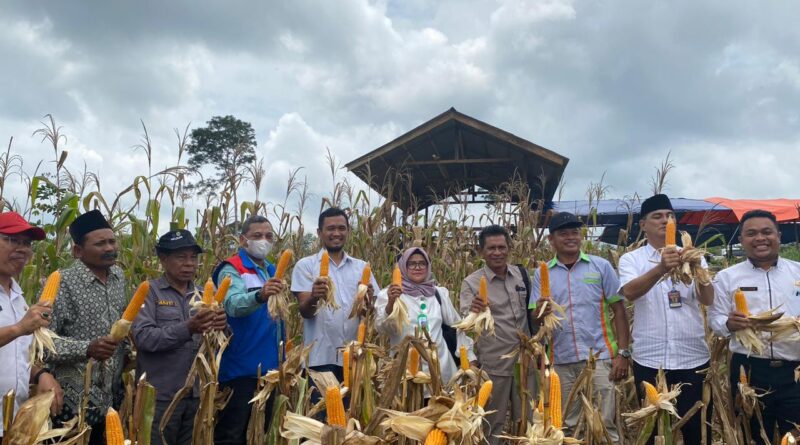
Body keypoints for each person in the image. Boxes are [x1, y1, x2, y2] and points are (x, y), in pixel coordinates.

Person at [618, 194, 714, 444]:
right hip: (650, 360)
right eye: (657, 216)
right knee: (653, 433)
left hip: (692, 359)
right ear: (643, 225)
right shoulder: (632, 259)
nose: (665, 220)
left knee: (697, 432)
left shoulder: (693, 256)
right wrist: (661, 268)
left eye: (670, 216)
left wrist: (698, 270)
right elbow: (629, 292)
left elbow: (707, 299)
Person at [529, 212, 630, 443]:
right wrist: (541, 311)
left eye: (575, 232)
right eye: (563, 233)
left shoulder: (601, 266)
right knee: (566, 425)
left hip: (600, 358)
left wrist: (623, 353)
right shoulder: (542, 274)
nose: (571, 238)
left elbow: (619, 310)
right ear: (551, 240)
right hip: (561, 360)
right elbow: (536, 319)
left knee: (605, 423)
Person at [709, 209, 800, 443]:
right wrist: (728, 323)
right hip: (749, 372)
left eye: (766, 232)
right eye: (751, 233)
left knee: (796, 435)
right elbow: (715, 319)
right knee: (752, 435)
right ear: (741, 240)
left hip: (795, 371)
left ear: (779, 235)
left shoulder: (797, 272)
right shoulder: (727, 277)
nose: (760, 238)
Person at [132, 229, 226, 445]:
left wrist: (222, 327)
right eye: (181, 257)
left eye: (193, 257)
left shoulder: (204, 294)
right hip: (159, 397)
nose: (189, 264)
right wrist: (188, 328)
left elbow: (218, 344)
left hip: (197, 395)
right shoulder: (149, 292)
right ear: (163, 259)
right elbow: (144, 338)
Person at [47, 209, 129, 443]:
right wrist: (87, 348)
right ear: (77, 251)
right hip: (73, 404)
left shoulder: (119, 277)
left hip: (112, 399)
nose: (109, 248)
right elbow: (42, 344)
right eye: (100, 244)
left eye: (112, 241)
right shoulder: (63, 282)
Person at [459, 225, 535, 445]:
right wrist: (473, 311)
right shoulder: (471, 283)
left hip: (525, 363)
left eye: (502, 247)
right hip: (493, 365)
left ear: (509, 248)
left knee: (528, 422)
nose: (497, 252)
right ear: (481, 251)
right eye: (491, 248)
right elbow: (465, 324)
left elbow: (532, 315)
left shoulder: (522, 276)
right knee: (493, 424)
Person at [213, 215, 284, 445]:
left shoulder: (271, 269)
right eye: (257, 236)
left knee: (260, 434)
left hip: (269, 369)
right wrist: (260, 295)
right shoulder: (232, 268)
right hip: (240, 369)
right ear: (243, 240)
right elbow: (232, 304)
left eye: (268, 236)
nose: (264, 240)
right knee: (232, 435)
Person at [291, 207, 378, 382]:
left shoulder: (361, 267)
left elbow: (371, 313)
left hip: (354, 356)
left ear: (348, 231)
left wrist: (368, 301)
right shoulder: (305, 266)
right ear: (319, 233)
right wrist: (315, 296)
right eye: (330, 228)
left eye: (341, 228)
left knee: (352, 402)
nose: (336, 233)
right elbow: (305, 311)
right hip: (319, 358)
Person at [0, 212, 63, 438]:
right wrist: (19, 328)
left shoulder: (18, 297)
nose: (22, 249)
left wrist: (39, 374)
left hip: (13, 421)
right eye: (12, 240)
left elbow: (16, 354)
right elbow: (17, 332)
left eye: (27, 243)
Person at [375, 247, 471, 386]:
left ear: (428, 266)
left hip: (440, 369)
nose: (417, 267)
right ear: (403, 266)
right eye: (412, 264)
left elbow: (458, 327)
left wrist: (469, 357)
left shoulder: (439, 294)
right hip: (404, 371)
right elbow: (382, 329)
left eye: (422, 263)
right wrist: (391, 303)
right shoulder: (389, 294)